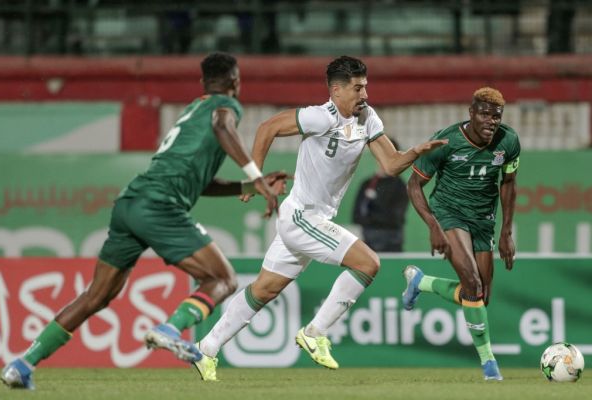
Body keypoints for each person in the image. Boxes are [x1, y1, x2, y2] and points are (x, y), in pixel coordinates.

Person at [0, 52, 289, 390]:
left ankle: (22, 364)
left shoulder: (191, 112)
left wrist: (248, 187)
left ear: (202, 82)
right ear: (235, 81)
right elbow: (223, 125)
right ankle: (168, 330)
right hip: (159, 205)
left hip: (130, 202)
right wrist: (255, 176)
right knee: (223, 279)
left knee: (96, 295)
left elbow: (202, 183)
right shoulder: (226, 107)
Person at [190, 55, 448, 381]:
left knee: (264, 289)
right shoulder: (319, 117)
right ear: (337, 91)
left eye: (366, 87)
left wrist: (416, 151)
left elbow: (390, 165)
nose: (365, 95)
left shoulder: (367, 118)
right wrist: (255, 177)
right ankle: (315, 332)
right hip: (302, 216)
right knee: (368, 263)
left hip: (309, 218)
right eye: (357, 88)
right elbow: (267, 127)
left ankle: (207, 346)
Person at [402, 87, 520, 381]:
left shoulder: (509, 142)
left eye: (496, 116)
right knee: (471, 281)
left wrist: (506, 232)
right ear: (471, 113)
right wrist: (434, 225)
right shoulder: (446, 141)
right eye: (484, 114)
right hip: (449, 214)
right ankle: (489, 363)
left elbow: (509, 183)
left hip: (484, 220)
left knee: (480, 297)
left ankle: (421, 281)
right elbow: (414, 185)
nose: (491, 121)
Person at [352, 139, 409, 252]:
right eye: (380, 154)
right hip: (368, 242)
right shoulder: (367, 184)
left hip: (392, 244)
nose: (383, 159)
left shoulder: (400, 186)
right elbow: (356, 215)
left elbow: (395, 218)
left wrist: (371, 216)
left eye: (388, 155)